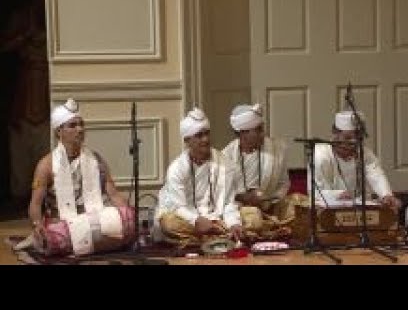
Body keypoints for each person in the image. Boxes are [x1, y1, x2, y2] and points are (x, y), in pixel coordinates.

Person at [24, 98, 135, 256]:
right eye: (73, 125)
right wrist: (37, 225)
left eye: (82, 124)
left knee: (127, 219)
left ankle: (90, 242)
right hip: (64, 223)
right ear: (59, 132)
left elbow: (113, 194)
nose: (80, 129)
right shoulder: (46, 165)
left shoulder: (96, 159)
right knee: (55, 237)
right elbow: (35, 204)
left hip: (95, 218)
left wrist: (127, 213)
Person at [155, 108, 243, 248]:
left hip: (218, 219)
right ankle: (220, 238)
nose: (206, 139)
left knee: (253, 217)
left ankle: (211, 238)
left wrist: (233, 223)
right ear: (187, 140)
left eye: (207, 133)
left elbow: (228, 203)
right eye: (199, 135)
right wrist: (196, 220)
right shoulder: (176, 168)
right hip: (189, 221)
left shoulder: (225, 164)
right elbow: (178, 206)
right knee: (169, 223)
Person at [222, 103, 302, 241]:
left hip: (272, 207)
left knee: (300, 206)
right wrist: (245, 198)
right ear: (243, 133)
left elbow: (284, 183)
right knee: (253, 219)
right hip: (243, 210)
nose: (262, 134)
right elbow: (225, 196)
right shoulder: (226, 157)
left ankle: (268, 228)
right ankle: (269, 230)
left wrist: (271, 202)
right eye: (258, 130)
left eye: (262, 128)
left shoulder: (277, 149)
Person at [312, 110, 400, 210]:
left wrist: (386, 196)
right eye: (348, 138)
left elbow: (376, 175)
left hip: (359, 209)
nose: (354, 142)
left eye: (358, 138)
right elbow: (316, 191)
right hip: (328, 210)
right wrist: (338, 194)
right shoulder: (321, 154)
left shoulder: (365, 153)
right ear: (335, 134)